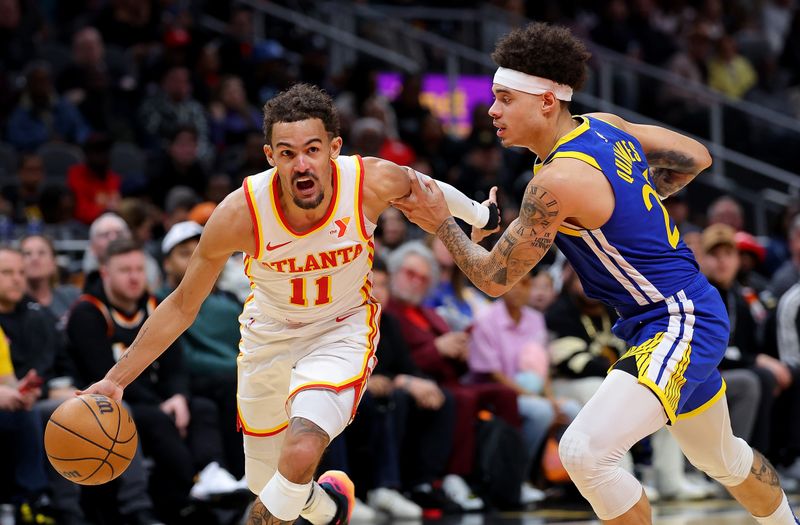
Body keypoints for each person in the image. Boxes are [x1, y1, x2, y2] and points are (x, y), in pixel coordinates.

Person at [394, 22, 799, 525]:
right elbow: (698, 156)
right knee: (723, 458)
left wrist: (440, 225)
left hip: (676, 320)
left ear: (546, 101)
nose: (492, 110)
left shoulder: (557, 181)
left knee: (586, 452)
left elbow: (494, 279)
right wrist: (641, 196)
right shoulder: (603, 125)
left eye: (503, 98)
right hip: (677, 312)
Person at [80, 82, 498, 525]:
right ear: (269, 156)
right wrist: (115, 380)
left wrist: (480, 215)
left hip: (341, 329)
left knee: (298, 453)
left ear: (334, 148)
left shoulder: (369, 180)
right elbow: (183, 304)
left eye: (312, 149)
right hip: (268, 339)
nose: (301, 164)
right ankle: (331, 507)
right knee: (273, 486)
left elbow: (427, 189)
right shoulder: (240, 212)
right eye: (287, 152)